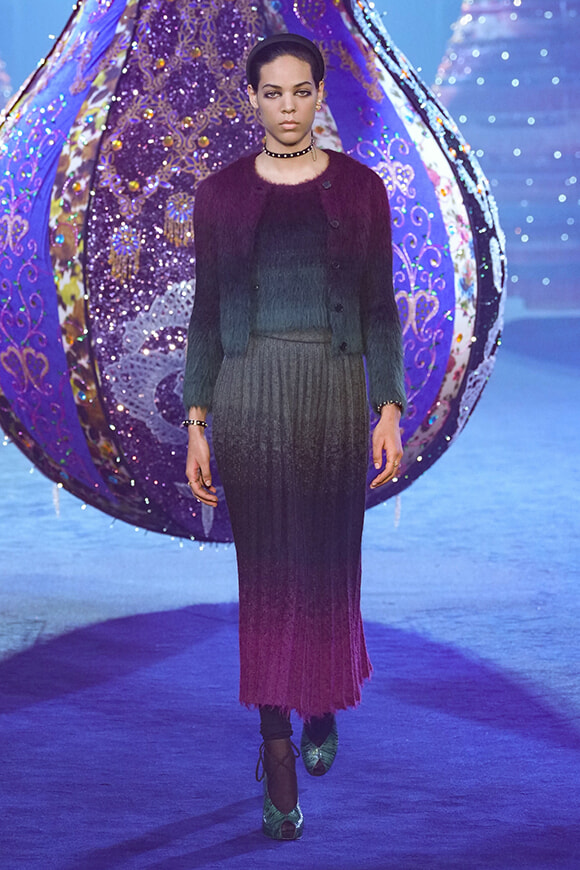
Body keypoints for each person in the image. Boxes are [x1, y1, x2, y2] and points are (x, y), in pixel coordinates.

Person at [183, 32, 406, 840]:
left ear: (319, 95)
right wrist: (197, 422)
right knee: (269, 574)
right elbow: (207, 312)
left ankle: (322, 697)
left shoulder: (361, 190)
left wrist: (388, 407)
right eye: (272, 93)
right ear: (252, 98)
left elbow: (379, 307)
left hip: (334, 392)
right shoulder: (219, 195)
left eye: (300, 91)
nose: (287, 107)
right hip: (248, 394)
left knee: (326, 565)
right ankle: (277, 751)